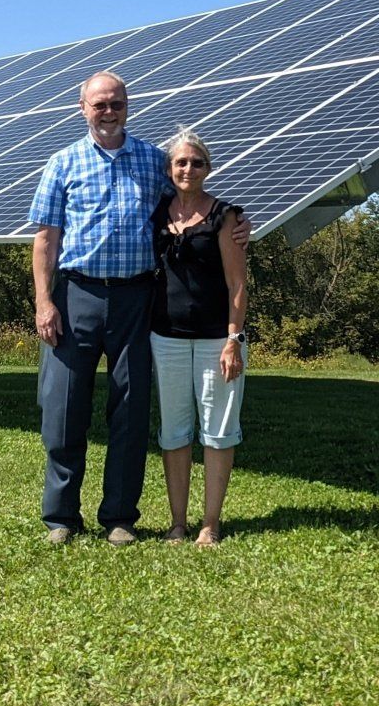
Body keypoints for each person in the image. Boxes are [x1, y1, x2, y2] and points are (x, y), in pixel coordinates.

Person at [28, 72, 249, 545]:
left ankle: (120, 517)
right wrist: (45, 302)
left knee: (129, 410)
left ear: (128, 107)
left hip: (136, 299)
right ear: (82, 108)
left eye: (117, 104)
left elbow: (191, 208)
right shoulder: (62, 163)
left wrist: (236, 222)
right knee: (64, 408)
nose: (109, 112)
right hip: (76, 296)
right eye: (100, 105)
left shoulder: (153, 161)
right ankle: (61, 517)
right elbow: (45, 239)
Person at [149, 129, 247, 546]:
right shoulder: (155, 213)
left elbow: (237, 285)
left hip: (214, 341)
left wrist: (234, 340)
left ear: (208, 168)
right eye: (180, 162)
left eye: (197, 162)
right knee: (173, 432)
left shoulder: (226, 217)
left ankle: (210, 523)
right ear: (169, 169)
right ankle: (177, 522)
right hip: (165, 337)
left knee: (218, 430)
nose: (188, 169)